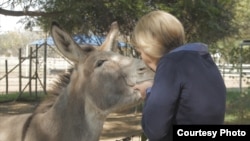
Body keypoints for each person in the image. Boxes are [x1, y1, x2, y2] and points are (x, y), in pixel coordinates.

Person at [132, 10, 226, 141]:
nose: (142, 57)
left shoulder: (170, 63)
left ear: (148, 46)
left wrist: (148, 93)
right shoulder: (203, 60)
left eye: (140, 51)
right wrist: (155, 89)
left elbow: (154, 130)